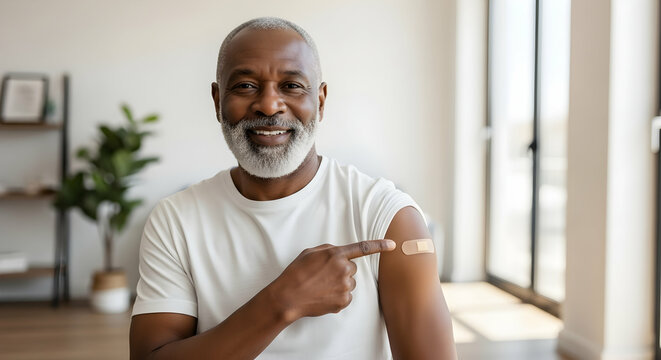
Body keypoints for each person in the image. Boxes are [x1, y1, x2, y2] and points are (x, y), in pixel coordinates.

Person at [129, 17, 457, 360]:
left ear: (321, 100)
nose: (269, 105)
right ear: (217, 100)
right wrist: (282, 302)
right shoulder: (175, 220)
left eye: (291, 86)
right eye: (245, 86)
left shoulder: (388, 218)